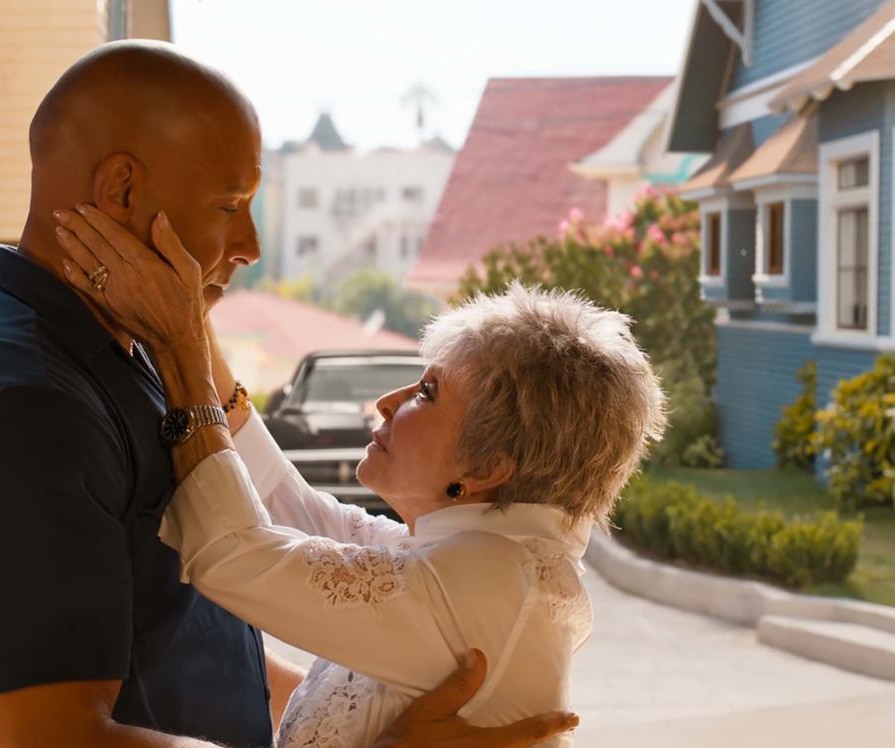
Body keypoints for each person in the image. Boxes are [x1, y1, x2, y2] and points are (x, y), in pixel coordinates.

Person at [0, 39, 578, 747]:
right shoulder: (19, 410)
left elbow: (199, 639)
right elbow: (56, 739)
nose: (249, 244)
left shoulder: (131, 356)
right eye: (229, 204)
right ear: (121, 191)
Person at [51, 206, 667, 746]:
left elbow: (236, 555)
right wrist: (193, 319)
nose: (388, 402)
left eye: (427, 392)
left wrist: (179, 343)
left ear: (487, 466)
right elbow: (292, 507)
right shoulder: (476, 560)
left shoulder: (487, 581)